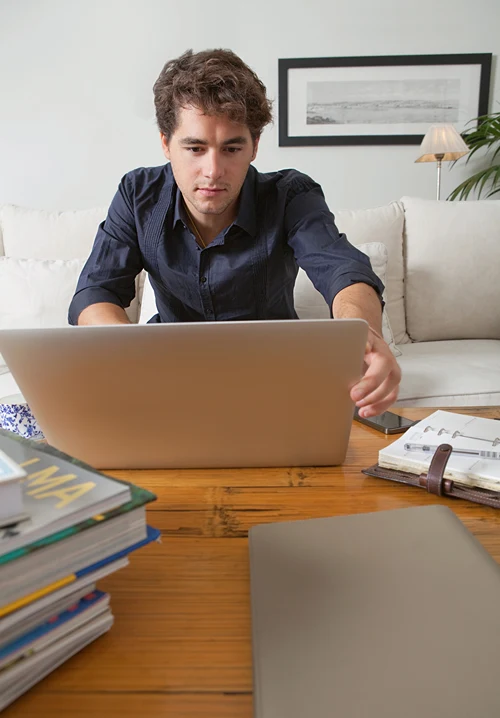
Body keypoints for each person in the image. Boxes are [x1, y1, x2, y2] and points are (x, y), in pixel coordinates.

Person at [68, 48, 401, 418]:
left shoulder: (290, 195)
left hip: (275, 377)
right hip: (166, 374)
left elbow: (342, 270)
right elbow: (95, 291)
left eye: (231, 148)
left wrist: (362, 335)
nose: (213, 170)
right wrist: (131, 354)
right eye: (195, 148)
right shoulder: (138, 195)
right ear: (166, 143)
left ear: (254, 146)